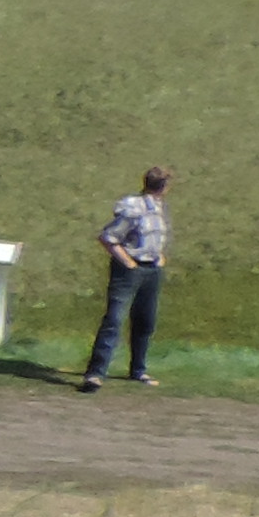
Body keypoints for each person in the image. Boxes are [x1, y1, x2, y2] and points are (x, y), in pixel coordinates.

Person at [78, 164, 171, 392]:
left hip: (152, 270)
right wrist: (128, 263)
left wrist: (159, 257)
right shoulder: (133, 207)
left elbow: (153, 237)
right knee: (114, 320)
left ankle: (138, 370)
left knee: (145, 321)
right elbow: (109, 237)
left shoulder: (158, 208)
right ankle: (95, 373)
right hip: (130, 270)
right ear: (163, 187)